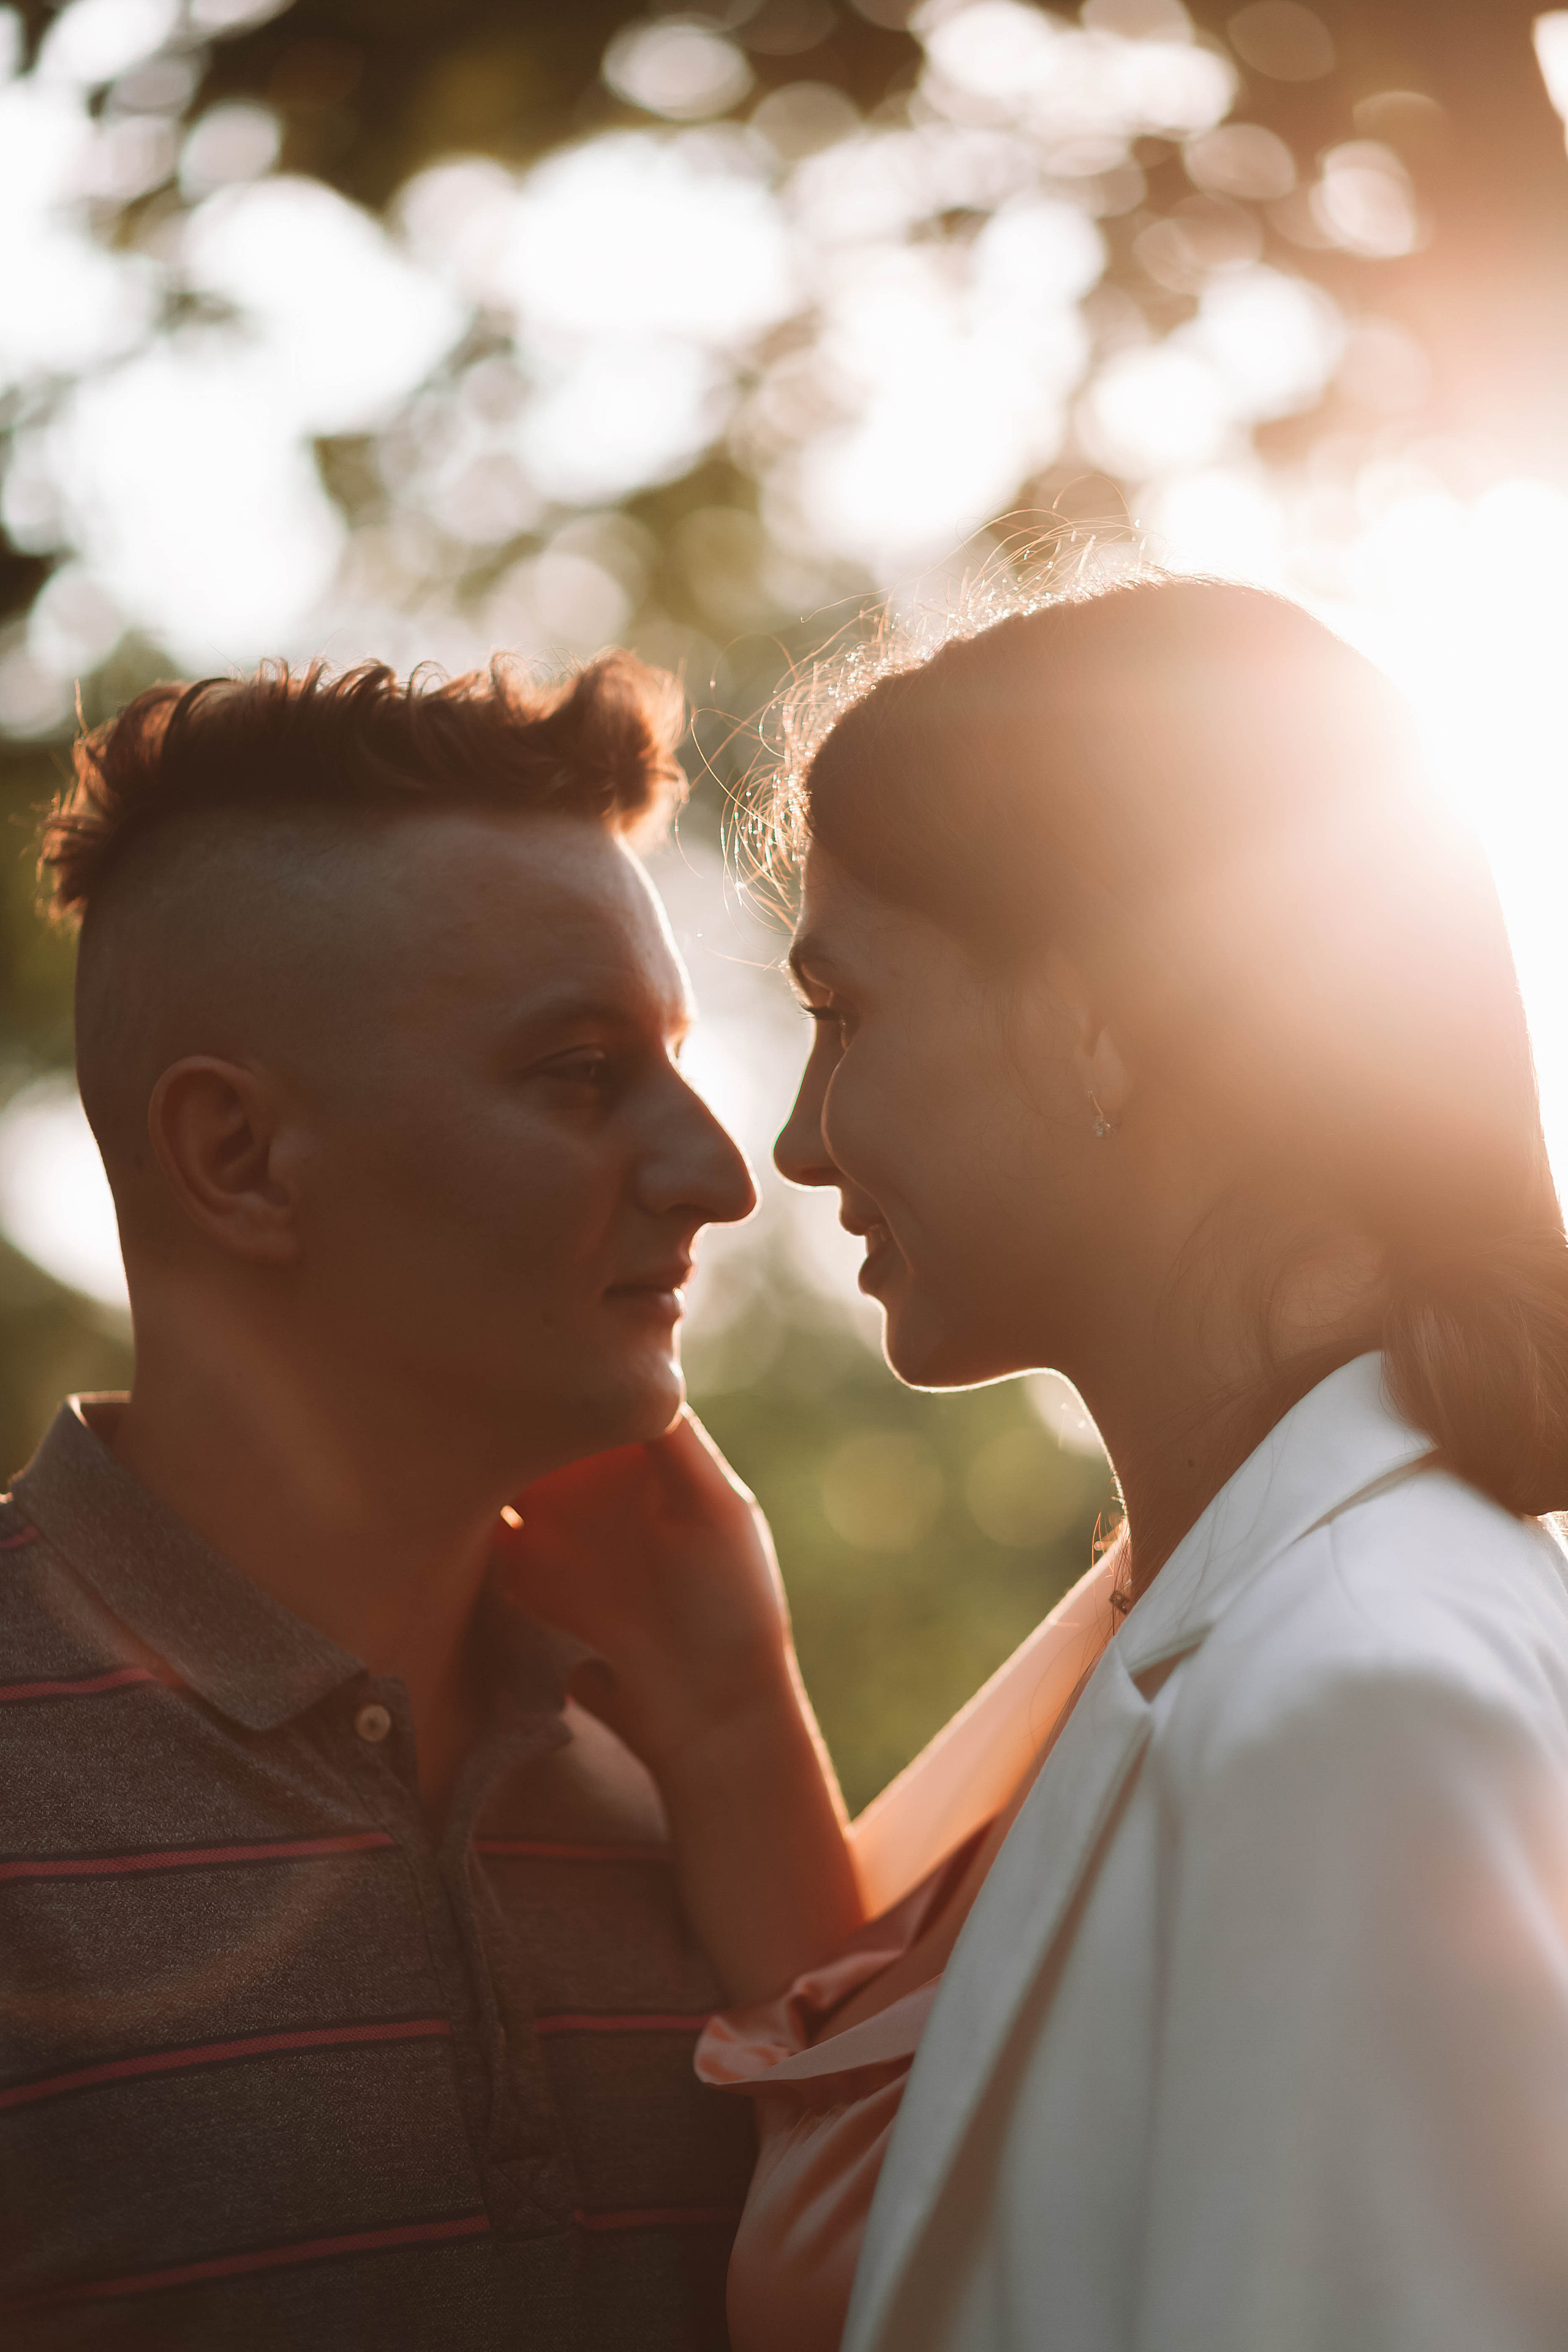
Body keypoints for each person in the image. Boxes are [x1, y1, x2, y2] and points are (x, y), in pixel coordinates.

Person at [505, 576, 1568, 2352]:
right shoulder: (1200, 1625)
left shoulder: (1358, 1694)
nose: (796, 1142)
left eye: (846, 1011)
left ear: (1097, 1017)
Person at [0, 650, 859, 2347]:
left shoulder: (688, 1746)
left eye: (678, 1059)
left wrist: (739, 1731)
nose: (721, 1174)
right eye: (581, 1071)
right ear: (239, 1158)